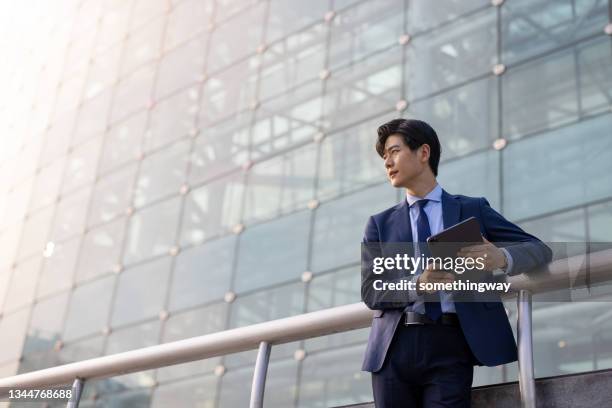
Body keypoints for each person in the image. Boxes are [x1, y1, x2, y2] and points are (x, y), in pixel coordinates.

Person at [361, 119, 552, 407]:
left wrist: (502, 257)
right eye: (384, 156)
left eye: (394, 151)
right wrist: (418, 284)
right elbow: (371, 291)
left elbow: (539, 249)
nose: (387, 162)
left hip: (452, 343)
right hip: (392, 349)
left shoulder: (471, 209)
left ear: (424, 153)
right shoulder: (379, 224)